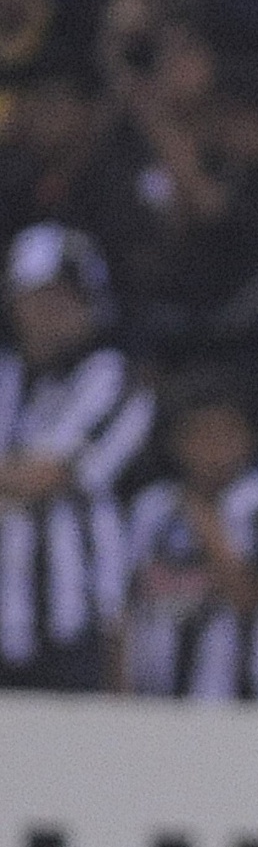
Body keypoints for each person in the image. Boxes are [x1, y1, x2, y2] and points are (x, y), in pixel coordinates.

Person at [0, 223, 154, 692]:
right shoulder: (6, 376)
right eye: (43, 296)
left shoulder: (114, 379)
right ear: (16, 300)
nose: (56, 311)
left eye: (70, 297)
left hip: (72, 626)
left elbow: (42, 476)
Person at [120, 378, 258, 701]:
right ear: (176, 441)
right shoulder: (150, 507)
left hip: (239, 702)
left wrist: (203, 518)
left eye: (227, 434)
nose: (215, 448)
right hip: (153, 702)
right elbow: (124, 607)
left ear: (250, 438)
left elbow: (248, 597)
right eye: (201, 435)